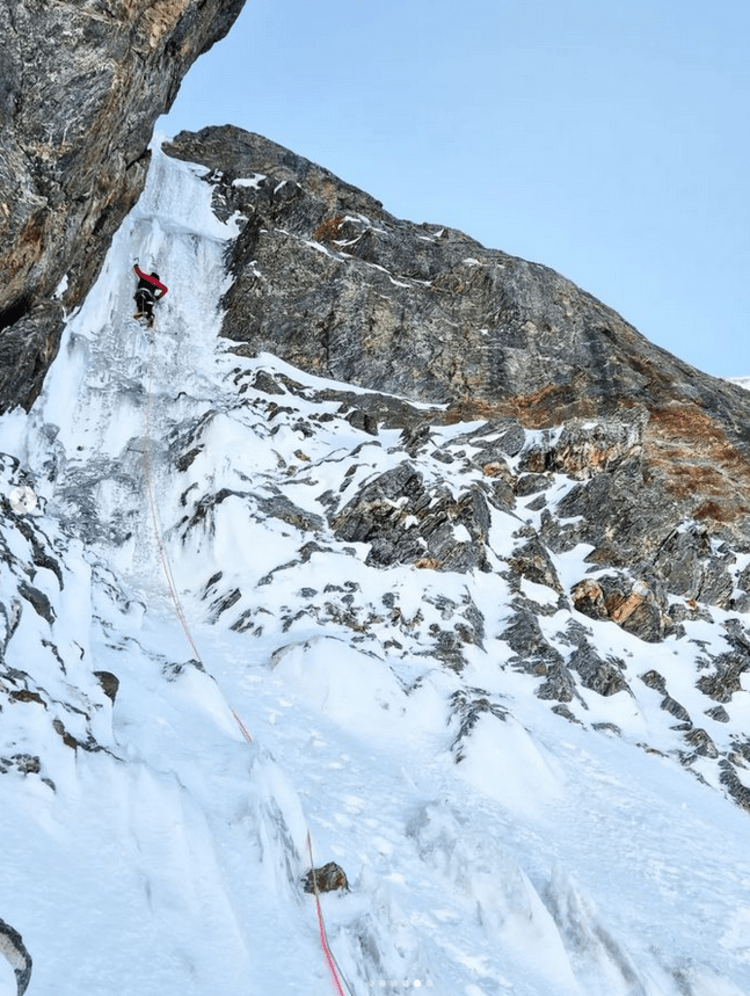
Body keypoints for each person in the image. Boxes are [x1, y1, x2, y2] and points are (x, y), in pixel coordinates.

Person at [133, 263, 168, 328]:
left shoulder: (144, 276)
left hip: (141, 292)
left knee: (140, 302)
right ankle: (150, 315)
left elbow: (138, 271)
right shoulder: (157, 282)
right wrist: (158, 297)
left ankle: (141, 311)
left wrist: (136, 266)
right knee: (149, 306)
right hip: (149, 296)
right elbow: (165, 289)